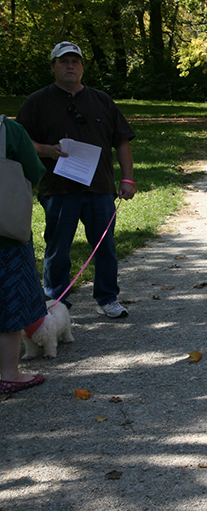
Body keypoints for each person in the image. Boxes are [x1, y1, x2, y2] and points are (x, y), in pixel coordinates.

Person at [16, 41, 136, 318]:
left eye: (75, 61)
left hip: (100, 188)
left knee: (104, 245)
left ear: (82, 67)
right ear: (53, 67)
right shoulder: (37, 102)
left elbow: (122, 141)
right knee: (58, 248)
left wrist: (127, 179)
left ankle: (108, 298)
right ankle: (56, 304)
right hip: (58, 190)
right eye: (63, 61)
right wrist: (48, 150)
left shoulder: (102, 100)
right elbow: (20, 142)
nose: (70, 66)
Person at [0, 116, 47, 394]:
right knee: (10, 299)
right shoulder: (10, 131)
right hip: (6, 236)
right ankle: (9, 372)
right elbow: (34, 170)